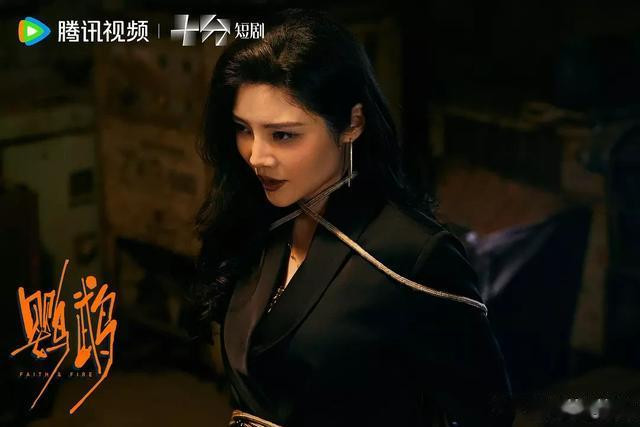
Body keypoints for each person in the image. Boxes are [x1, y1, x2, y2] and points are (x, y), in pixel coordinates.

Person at [190, 8, 514, 427]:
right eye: (243, 129)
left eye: (283, 135)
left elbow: (488, 411)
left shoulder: (412, 254)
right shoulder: (257, 221)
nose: (256, 156)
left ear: (352, 124)